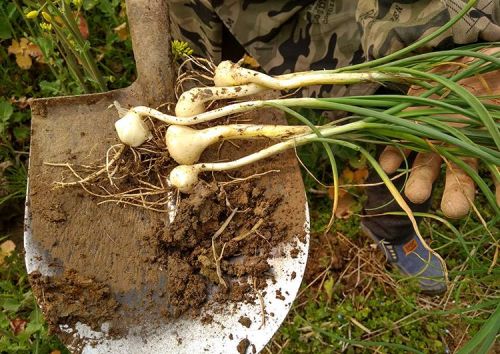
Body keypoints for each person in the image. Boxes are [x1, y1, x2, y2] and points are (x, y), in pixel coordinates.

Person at [169, 0, 500, 295]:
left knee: (406, 125)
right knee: (201, 73)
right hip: (215, 10)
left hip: (380, 22)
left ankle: (390, 229)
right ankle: (197, 137)